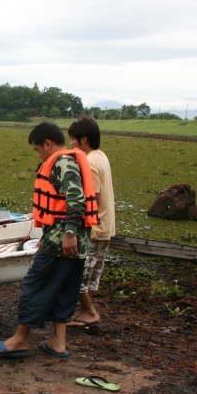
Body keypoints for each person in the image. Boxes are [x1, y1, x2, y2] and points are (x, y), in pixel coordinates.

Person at [0, 122, 99, 358]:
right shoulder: (72, 159)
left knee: (34, 286)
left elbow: (76, 199)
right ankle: (58, 342)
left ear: (48, 143)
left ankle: (20, 339)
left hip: (64, 238)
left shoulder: (62, 161)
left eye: (38, 149)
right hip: (74, 240)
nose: (39, 154)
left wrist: (68, 234)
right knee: (65, 289)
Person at [68, 115, 115, 327]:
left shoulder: (89, 162)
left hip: (93, 228)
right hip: (106, 226)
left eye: (73, 140)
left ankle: (89, 311)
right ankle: (86, 311)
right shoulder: (101, 156)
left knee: (77, 274)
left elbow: (90, 198)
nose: (71, 145)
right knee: (91, 275)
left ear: (83, 140)